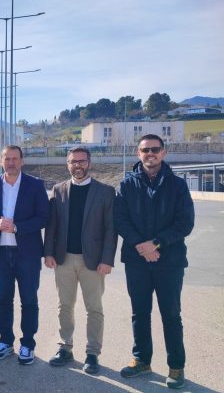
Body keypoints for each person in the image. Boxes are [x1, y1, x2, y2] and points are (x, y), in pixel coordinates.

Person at [114, 134, 194, 390]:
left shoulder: (177, 185)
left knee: (171, 314)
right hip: (137, 261)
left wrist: (156, 244)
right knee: (140, 313)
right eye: (145, 150)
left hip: (169, 261)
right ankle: (142, 360)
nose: (150, 154)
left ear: (164, 152)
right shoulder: (126, 184)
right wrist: (142, 246)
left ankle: (176, 366)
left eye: (155, 149)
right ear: (138, 154)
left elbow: (185, 223)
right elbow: (121, 220)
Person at [44, 147, 117, 374]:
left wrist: (107, 260)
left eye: (82, 161)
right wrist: (48, 253)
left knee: (93, 308)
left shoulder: (105, 192)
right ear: (67, 164)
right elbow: (52, 226)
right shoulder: (58, 190)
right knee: (64, 306)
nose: (78, 165)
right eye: (73, 161)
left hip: (93, 261)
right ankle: (65, 347)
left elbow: (110, 230)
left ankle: (92, 353)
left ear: (89, 162)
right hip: (64, 259)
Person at [0, 145, 49, 365]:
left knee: (29, 300)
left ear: (21, 161)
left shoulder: (35, 185)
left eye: (15, 158)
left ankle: (27, 344)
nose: (11, 162)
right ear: (1, 161)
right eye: (7, 158)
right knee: (3, 300)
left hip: (27, 254)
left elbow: (43, 217)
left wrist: (17, 227)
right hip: (0, 253)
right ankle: (6, 341)